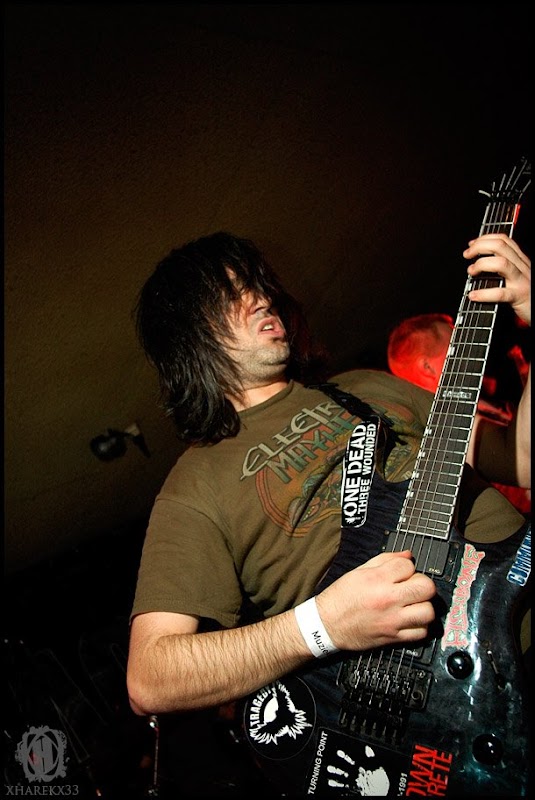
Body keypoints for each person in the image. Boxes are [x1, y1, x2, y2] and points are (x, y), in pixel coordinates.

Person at [126, 231, 531, 793]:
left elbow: (522, 459)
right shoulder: (194, 484)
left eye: (258, 286)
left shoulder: (365, 387)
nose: (261, 299)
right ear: (190, 335)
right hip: (425, 708)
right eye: (232, 295)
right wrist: (323, 627)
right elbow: (152, 677)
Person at [387, 311, 531, 516]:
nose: (471, 350)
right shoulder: (449, 429)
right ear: (427, 368)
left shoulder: (475, 401)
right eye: (456, 344)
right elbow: (522, 462)